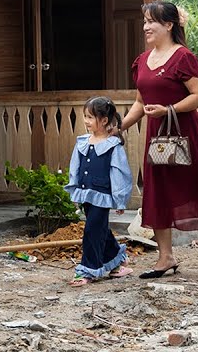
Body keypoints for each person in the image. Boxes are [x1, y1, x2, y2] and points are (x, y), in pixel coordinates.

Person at [118, 0, 198, 276]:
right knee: (158, 191)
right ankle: (166, 257)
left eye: (151, 21)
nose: (145, 27)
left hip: (185, 133)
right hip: (157, 137)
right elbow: (140, 102)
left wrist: (168, 109)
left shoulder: (183, 57)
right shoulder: (143, 60)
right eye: (144, 21)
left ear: (169, 25)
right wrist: (118, 127)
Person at [64, 96, 134, 286]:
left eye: (90, 117)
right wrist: (74, 189)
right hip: (85, 192)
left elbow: (119, 173)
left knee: (92, 230)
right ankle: (116, 261)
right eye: (85, 116)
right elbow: (75, 167)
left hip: (102, 196)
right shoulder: (83, 142)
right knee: (99, 228)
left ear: (103, 120)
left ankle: (87, 270)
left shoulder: (113, 145)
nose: (86, 121)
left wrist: (120, 200)